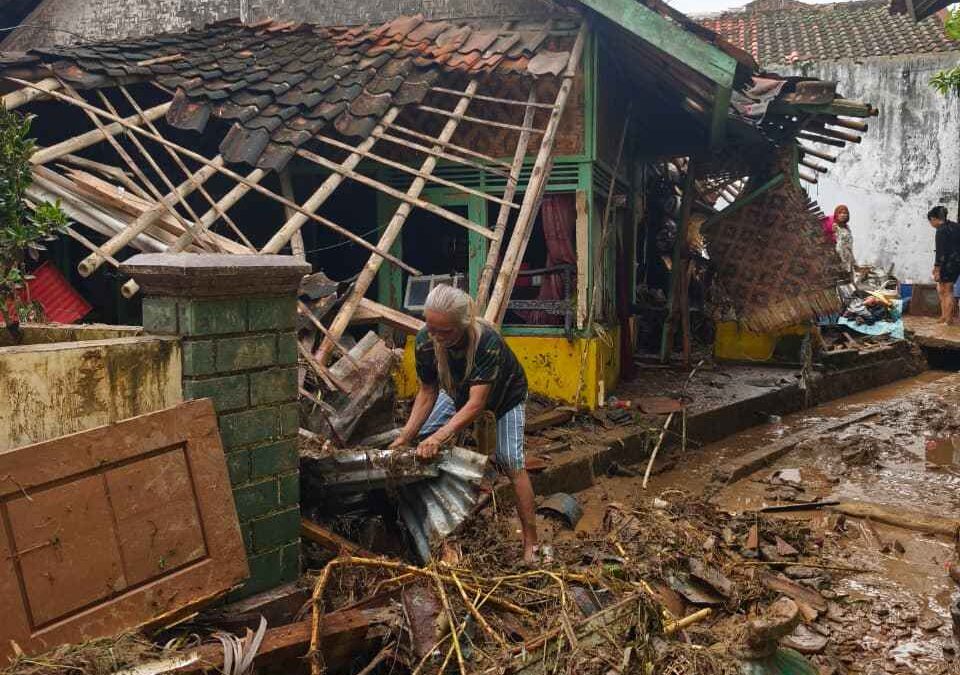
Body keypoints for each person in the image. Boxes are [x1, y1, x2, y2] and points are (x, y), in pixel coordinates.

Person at [389, 284, 539, 562]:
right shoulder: (426, 340)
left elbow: (476, 405)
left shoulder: (487, 342)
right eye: (431, 328)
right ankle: (442, 531)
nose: (435, 336)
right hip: (457, 390)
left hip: (505, 396)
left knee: (510, 461)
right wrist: (407, 436)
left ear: (464, 324)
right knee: (421, 443)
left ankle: (532, 542)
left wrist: (440, 437)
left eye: (444, 332)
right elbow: (428, 391)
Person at [929, 205, 960, 324]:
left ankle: (948, 319)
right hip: (956, 263)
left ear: (933, 219)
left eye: (931, 222)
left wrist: (936, 268)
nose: (931, 225)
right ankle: (945, 317)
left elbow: (940, 252)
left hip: (946, 264)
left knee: (945, 291)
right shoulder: (956, 227)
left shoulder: (941, 230)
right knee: (946, 290)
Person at [830, 205, 855, 282]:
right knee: (840, 280)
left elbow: (849, 245)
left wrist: (853, 258)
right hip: (839, 257)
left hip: (848, 257)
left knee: (849, 281)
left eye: (845, 213)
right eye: (840, 213)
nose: (843, 215)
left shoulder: (847, 227)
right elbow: (834, 241)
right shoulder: (834, 226)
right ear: (836, 214)